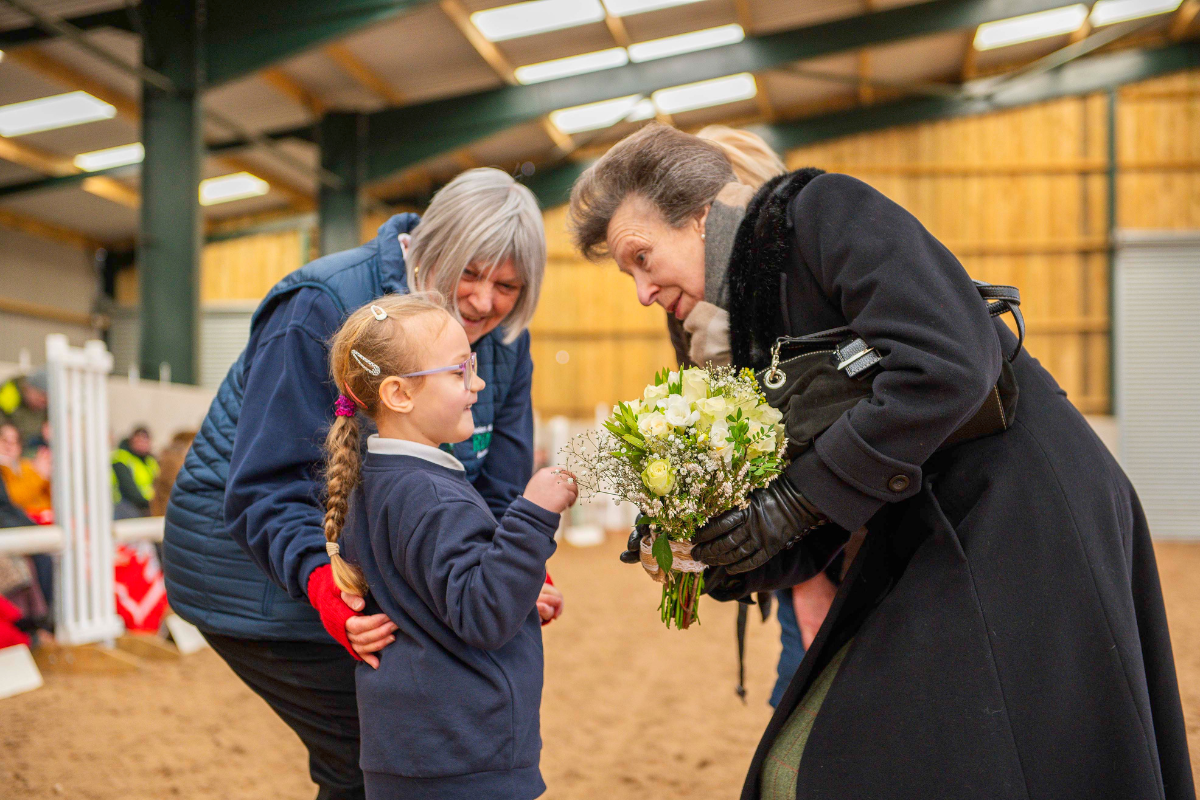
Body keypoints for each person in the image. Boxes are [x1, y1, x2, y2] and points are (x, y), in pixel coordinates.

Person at [567, 124, 1193, 800]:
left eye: (640, 257)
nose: (639, 291)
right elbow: (805, 512)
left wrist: (791, 504)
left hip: (1025, 514)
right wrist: (717, 550)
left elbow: (951, 365)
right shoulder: (736, 331)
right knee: (797, 767)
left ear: (698, 217)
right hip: (921, 531)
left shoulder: (821, 213)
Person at [163, 167, 562, 800]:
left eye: (508, 286)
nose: (484, 301)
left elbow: (498, 482)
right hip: (252, 570)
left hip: (381, 568)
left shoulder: (501, 339)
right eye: (468, 273)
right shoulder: (320, 305)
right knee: (375, 755)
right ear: (430, 250)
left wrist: (515, 565)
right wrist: (321, 583)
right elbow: (266, 485)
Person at [321, 294, 575, 799]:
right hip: (465, 758)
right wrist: (533, 514)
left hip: (410, 753)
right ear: (398, 393)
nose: (477, 384)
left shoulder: (375, 481)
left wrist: (521, 591)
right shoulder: (430, 494)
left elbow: (436, 592)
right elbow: (482, 614)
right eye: (460, 372)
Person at [691, 124, 837, 706]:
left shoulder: (777, 293)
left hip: (818, 539)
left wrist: (807, 575)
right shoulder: (709, 302)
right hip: (787, 539)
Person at [111, 425, 159, 519]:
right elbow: (129, 489)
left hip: (149, 505)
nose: (142, 444)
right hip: (126, 505)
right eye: (139, 440)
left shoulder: (151, 461)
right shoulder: (122, 458)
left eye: (145, 441)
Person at [0, 369, 48, 449]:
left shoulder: (45, 405)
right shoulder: (9, 394)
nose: (44, 401)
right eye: (42, 396)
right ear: (29, 388)